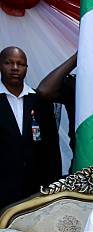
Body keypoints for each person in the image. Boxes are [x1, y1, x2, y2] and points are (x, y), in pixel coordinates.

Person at [0, 46, 61, 210]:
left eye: (20, 64)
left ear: (26, 68)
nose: (14, 68)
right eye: (8, 63)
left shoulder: (39, 101)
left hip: (35, 190)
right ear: (0, 65)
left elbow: (52, 148)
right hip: (3, 189)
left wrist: (53, 186)